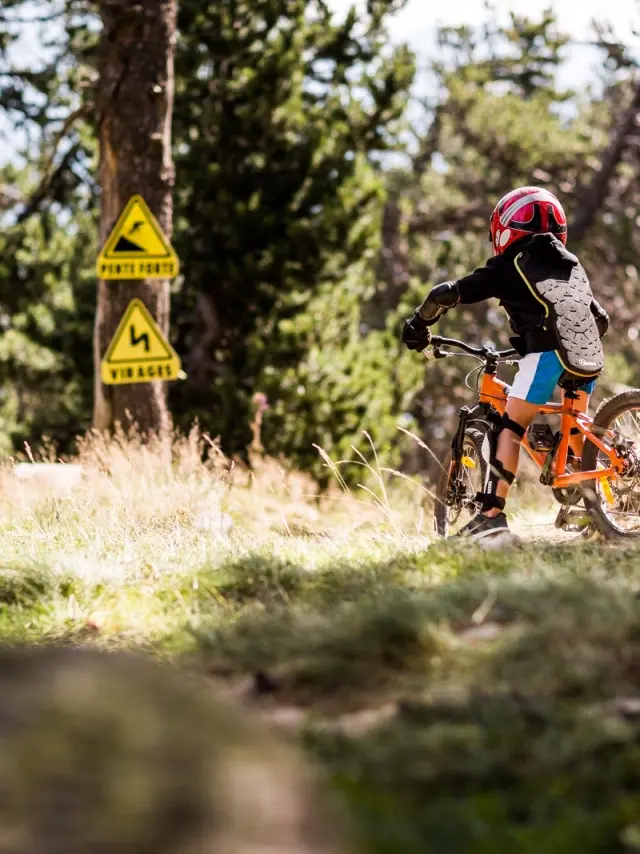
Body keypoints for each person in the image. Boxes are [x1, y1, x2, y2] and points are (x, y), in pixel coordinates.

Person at [401, 186, 609, 539]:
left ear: (505, 227)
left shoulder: (511, 264)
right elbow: (599, 319)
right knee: (577, 429)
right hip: (585, 354)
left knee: (511, 428)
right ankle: (597, 506)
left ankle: (491, 517)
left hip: (546, 353)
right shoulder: (571, 265)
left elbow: (447, 293)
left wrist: (419, 324)